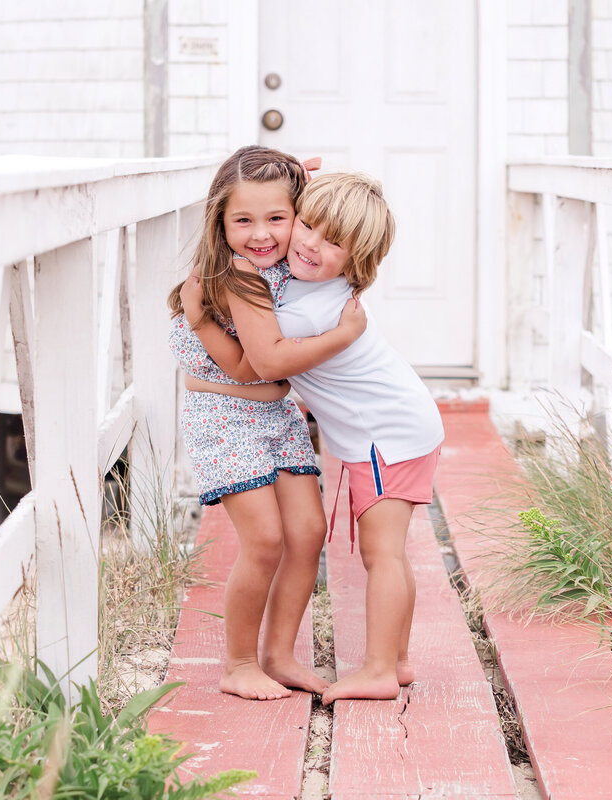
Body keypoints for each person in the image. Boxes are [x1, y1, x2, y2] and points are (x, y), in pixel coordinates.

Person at [185, 172, 444, 705]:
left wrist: (199, 325)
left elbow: (266, 360)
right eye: (305, 223)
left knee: (383, 555)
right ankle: (395, 659)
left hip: (385, 436)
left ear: (356, 261)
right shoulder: (313, 286)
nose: (307, 243)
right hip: (402, 427)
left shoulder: (309, 310)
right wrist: (283, 184)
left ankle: (377, 669)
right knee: (390, 553)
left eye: (332, 243)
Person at [167, 146, 366, 700]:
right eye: (243, 220)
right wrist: (203, 321)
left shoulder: (282, 260)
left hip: (272, 412)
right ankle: (237, 663)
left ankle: (279, 655)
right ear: (219, 221)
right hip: (226, 414)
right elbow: (248, 366)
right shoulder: (237, 277)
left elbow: (288, 198)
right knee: (265, 540)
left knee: (307, 534)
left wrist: (299, 171)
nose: (261, 233)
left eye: (277, 218)